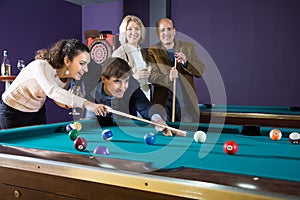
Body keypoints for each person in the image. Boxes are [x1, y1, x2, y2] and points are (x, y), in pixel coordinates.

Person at [0, 39, 108, 129]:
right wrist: (90, 105)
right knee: (14, 152)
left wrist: (69, 103)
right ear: (67, 61)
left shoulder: (68, 78)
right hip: (12, 111)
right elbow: (53, 92)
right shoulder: (41, 66)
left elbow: (58, 99)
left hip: (36, 112)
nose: (86, 69)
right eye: (82, 64)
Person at [90, 57, 183, 136]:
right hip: (100, 130)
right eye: (117, 81)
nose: (123, 87)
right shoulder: (92, 89)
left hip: (129, 132)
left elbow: (144, 106)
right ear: (104, 79)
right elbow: (88, 114)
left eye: (126, 81)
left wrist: (158, 120)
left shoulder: (132, 85)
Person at [148, 18, 206, 122]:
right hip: (163, 105)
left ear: (174, 31)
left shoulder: (187, 47)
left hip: (185, 105)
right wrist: (168, 78)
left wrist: (186, 62)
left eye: (169, 29)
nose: (166, 33)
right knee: (164, 136)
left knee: (186, 135)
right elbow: (152, 77)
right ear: (157, 33)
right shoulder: (152, 50)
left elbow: (200, 71)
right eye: (162, 30)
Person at [112, 15, 152, 101]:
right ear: (124, 32)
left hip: (148, 97)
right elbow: (115, 82)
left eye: (137, 29)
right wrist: (134, 77)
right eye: (130, 29)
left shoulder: (144, 52)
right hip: (132, 100)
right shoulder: (118, 54)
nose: (134, 32)